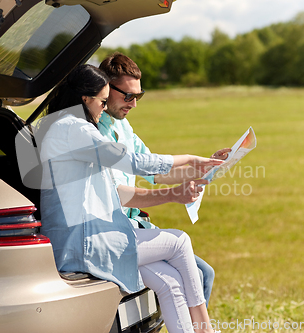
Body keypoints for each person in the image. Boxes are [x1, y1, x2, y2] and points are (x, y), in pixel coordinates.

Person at [39, 64, 221, 333]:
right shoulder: (73, 128)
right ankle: (205, 329)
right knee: (180, 242)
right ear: (85, 99)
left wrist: (201, 168)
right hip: (85, 242)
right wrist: (191, 158)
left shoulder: (64, 126)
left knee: (169, 281)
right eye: (102, 101)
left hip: (84, 237)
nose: (102, 109)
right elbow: (133, 162)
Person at [98, 52, 230, 307]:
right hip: (118, 233)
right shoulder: (95, 131)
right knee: (198, 274)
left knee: (204, 273)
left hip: (135, 226)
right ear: (105, 88)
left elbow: (157, 173)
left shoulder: (123, 127)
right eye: (128, 96)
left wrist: (207, 167)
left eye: (139, 96)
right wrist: (173, 195)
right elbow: (118, 194)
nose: (134, 103)